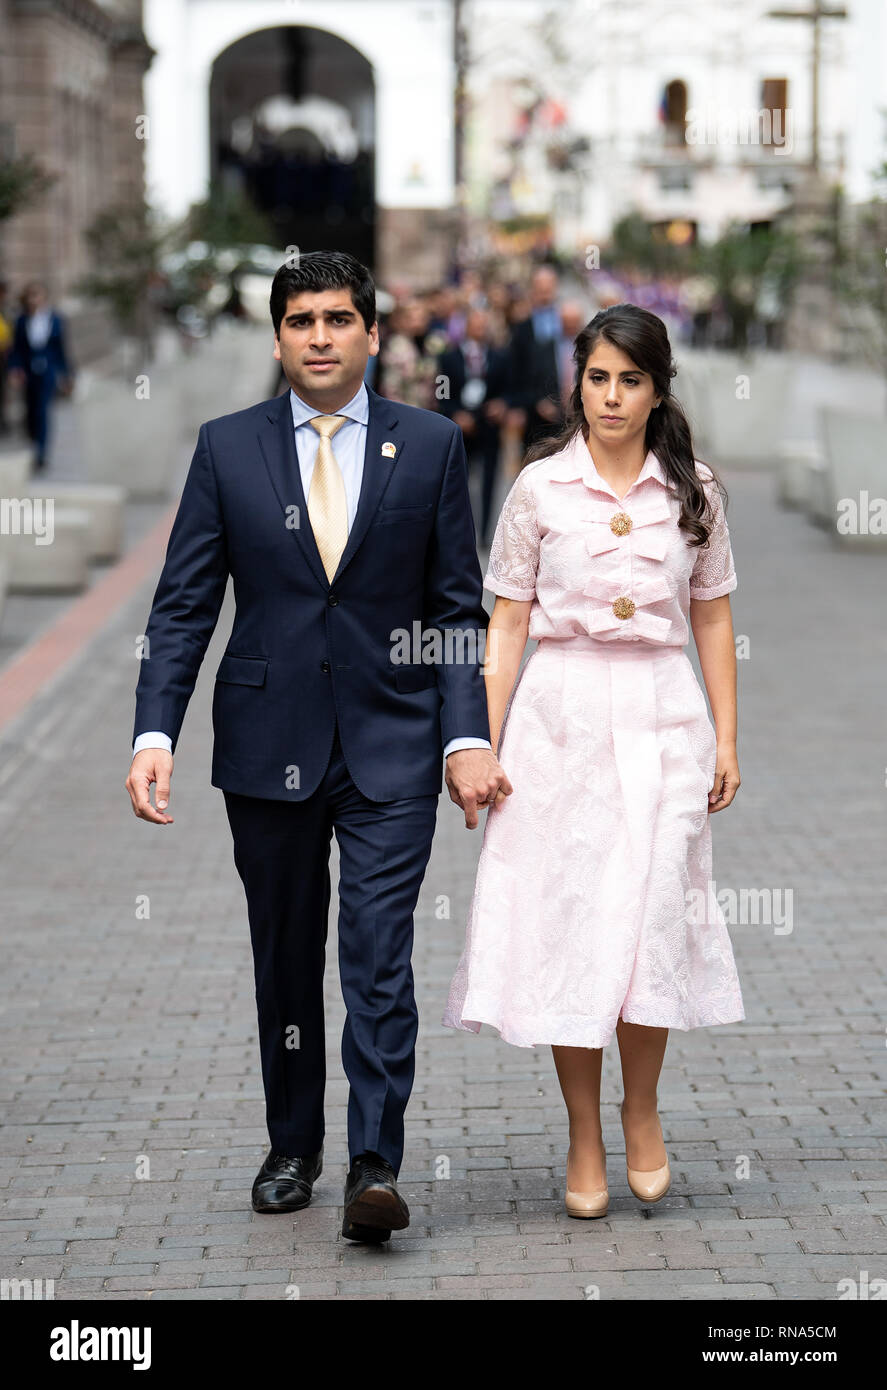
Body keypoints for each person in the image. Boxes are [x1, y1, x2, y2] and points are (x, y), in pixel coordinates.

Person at [124, 251, 510, 1243]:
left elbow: (455, 610)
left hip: (393, 743)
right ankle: (292, 1143)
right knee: (285, 955)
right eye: (302, 321)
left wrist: (465, 732)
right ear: (279, 336)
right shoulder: (226, 449)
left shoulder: (427, 447)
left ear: (373, 334)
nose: (321, 337)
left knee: (378, 956)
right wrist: (154, 729)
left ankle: (373, 1163)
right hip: (269, 743)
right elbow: (182, 606)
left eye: (339, 319)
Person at [443, 302, 744, 1218]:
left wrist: (728, 737)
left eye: (631, 381)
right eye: (598, 378)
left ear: (658, 392)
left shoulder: (692, 488)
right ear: (576, 383)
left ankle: (640, 1107)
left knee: (651, 916)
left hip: (662, 716)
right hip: (557, 721)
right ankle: (582, 1131)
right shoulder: (538, 489)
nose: (611, 397)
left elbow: (713, 613)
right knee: (574, 926)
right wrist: (478, 743)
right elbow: (504, 622)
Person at [436, 306, 510, 546]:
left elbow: (512, 389)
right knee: (459, 481)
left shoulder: (500, 357)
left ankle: (486, 535)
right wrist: (454, 413)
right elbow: (441, 392)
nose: (480, 329)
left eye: (483, 325)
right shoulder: (448, 357)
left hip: (489, 426)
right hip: (460, 428)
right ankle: (459, 532)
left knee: (490, 481)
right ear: (466, 327)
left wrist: (502, 404)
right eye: (475, 324)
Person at [6, 280, 75, 470]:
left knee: (43, 410)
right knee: (30, 411)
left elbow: (62, 349)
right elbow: (17, 349)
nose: (33, 300)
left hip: (48, 371)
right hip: (28, 371)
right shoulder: (21, 320)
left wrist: (67, 375)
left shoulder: (56, 319)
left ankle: (41, 452)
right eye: (31, 296)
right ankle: (33, 441)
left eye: (37, 295)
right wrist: (14, 369)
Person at [506, 264, 564, 450]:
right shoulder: (522, 328)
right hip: (532, 410)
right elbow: (516, 369)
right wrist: (526, 402)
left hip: (565, 409)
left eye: (548, 288)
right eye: (540, 289)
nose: (545, 293)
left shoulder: (568, 322)